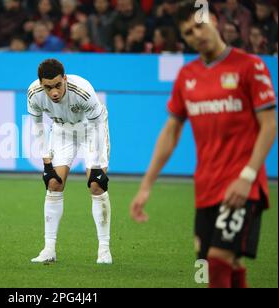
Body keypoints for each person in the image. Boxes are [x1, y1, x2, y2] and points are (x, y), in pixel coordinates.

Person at [129, 0, 277, 288]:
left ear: (215, 21)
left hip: (241, 186)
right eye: (188, 33)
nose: (196, 35)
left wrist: (247, 176)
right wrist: (146, 186)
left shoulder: (250, 66)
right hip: (206, 188)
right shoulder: (187, 76)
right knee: (213, 266)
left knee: (218, 260)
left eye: (200, 25)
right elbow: (171, 132)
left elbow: (269, 125)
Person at [28, 59, 112, 264]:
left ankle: (104, 250)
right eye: (48, 87)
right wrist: (46, 164)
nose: (54, 92)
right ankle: (49, 250)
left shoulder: (82, 90)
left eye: (58, 85)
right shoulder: (34, 94)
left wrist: (99, 164)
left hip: (91, 129)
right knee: (53, 183)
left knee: (96, 184)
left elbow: (98, 125)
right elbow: (37, 127)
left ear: (64, 78)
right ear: (41, 84)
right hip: (62, 131)